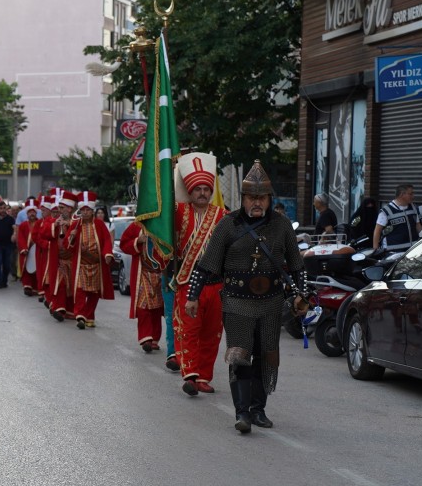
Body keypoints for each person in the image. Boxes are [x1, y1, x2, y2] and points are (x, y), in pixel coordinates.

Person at [186, 161, 307, 434]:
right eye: (251, 197)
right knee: (240, 355)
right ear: (243, 199)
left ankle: (258, 409)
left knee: (266, 355)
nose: (256, 202)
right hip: (237, 301)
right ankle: (242, 413)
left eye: (261, 197)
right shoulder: (228, 224)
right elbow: (206, 265)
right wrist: (192, 295)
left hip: (271, 302)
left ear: (268, 199)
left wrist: (303, 296)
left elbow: (297, 265)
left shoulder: (282, 225)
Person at [171, 153, 227, 395]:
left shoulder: (223, 216)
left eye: (206, 189)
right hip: (188, 281)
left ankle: (203, 376)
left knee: (211, 334)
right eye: (197, 189)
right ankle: (190, 374)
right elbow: (159, 213)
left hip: (217, 284)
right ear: (190, 192)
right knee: (188, 330)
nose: (203, 193)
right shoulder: (179, 212)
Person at [64, 192, 114, 329]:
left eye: (88, 210)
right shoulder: (75, 224)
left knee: (94, 292)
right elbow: (67, 246)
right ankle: (80, 315)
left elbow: (106, 241)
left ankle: (89, 315)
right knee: (80, 289)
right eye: (83, 210)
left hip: (96, 263)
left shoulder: (99, 224)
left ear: (92, 211)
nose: (85, 212)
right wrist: (72, 237)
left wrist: (108, 254)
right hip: (82, 264)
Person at [119, 219, 166, 353]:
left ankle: (155, 338)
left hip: (159, 274)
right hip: (143, 273)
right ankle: (146, 338)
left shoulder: (163, 224)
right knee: (142, 306)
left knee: (157, 308)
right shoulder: (135, 226)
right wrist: (137, 241)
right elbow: (123, 244)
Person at [43, 189, 77, 320]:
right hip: (59, 260)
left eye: (62, 207)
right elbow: (43, 234)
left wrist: (70, 226)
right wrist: (54, 226)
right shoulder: (55, 221)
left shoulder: (77, 221)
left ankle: (68, 310)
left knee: (71, 287)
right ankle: (58, 308)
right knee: (60, 284)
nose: (59, 210)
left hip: (73, 260)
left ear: (69, 209)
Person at [372, 184, 421, 254]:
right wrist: (375, 250)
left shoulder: (413, 208)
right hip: (392, 253)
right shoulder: (386, 211)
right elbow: (377, 231)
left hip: (411, 251)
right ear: (401, 194)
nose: (413, 196)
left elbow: (418, 226)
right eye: (410, 194)